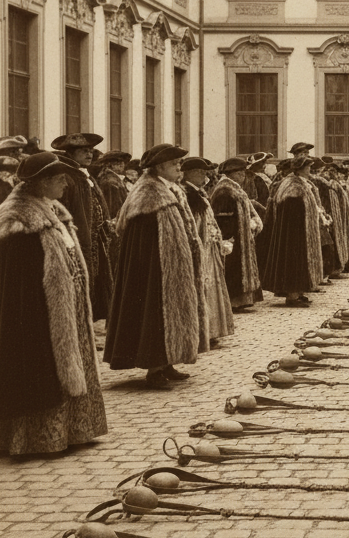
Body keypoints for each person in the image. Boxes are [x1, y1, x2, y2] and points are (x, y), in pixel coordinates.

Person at [0, 152, 107, 456]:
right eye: (59, 178)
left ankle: (71, 431)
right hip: (36, 316)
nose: (65, 183)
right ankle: (34, 438)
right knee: (38, 368)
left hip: (64, 311)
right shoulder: (18, 220)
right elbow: (18, 285)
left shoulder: (53, 210)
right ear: (42, 182)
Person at [104, 144, 208, 389]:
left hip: (169, 266)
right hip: (154, 270)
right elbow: (145, 240)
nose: (179, 168)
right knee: (154, 312)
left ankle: (167, 361)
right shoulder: (149, 194)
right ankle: (155, 367)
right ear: (160, 167)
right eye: (175, 164)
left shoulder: (167, 189)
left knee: (167, 313)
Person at [51, 132, 117, 323]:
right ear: (71, 154)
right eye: (83, 151)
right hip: (78, 242)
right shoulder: (68, 178)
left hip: (96, 241)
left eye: (90, 151)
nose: (89, 155)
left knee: (94, 284)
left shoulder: (84, 175)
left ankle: (88, 327)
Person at [259, 154, 327, 306]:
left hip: (301, 230)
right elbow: (292, 212)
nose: (310, 169)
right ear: (300, 169)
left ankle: (299, 291)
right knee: (293, 261)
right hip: (295, 233)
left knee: (300, 261)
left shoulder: (299, 183)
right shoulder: (293, 186)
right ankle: (292, 295)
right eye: (308, 167)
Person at [182, 156, 234, 348]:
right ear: (190, 174)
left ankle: (211, 330)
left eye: (205, 173)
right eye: (201, 173)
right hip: (201, 248)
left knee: (211, 287)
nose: (204, 177)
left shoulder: (198, 192)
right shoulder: (188, 194)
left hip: (209, 247)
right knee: (203, 287)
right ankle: (203, 331)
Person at [210, 157, 264, 312]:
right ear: (230, 173)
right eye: (239, 172)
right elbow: (223, 217)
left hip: (241, 235)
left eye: (243, 172)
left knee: (238, 269)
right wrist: (230, 238)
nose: (243, 176)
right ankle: (234, 301)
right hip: (233, 237)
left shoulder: (234, 189)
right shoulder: (225, 190)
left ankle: (241, 300)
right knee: (233, 269)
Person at [95, 150, 132, 219]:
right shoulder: (111, 182)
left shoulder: (112, 179)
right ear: (110, 164)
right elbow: (114, 210)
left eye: (123, 162)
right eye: (118, 162)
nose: (122, 165)